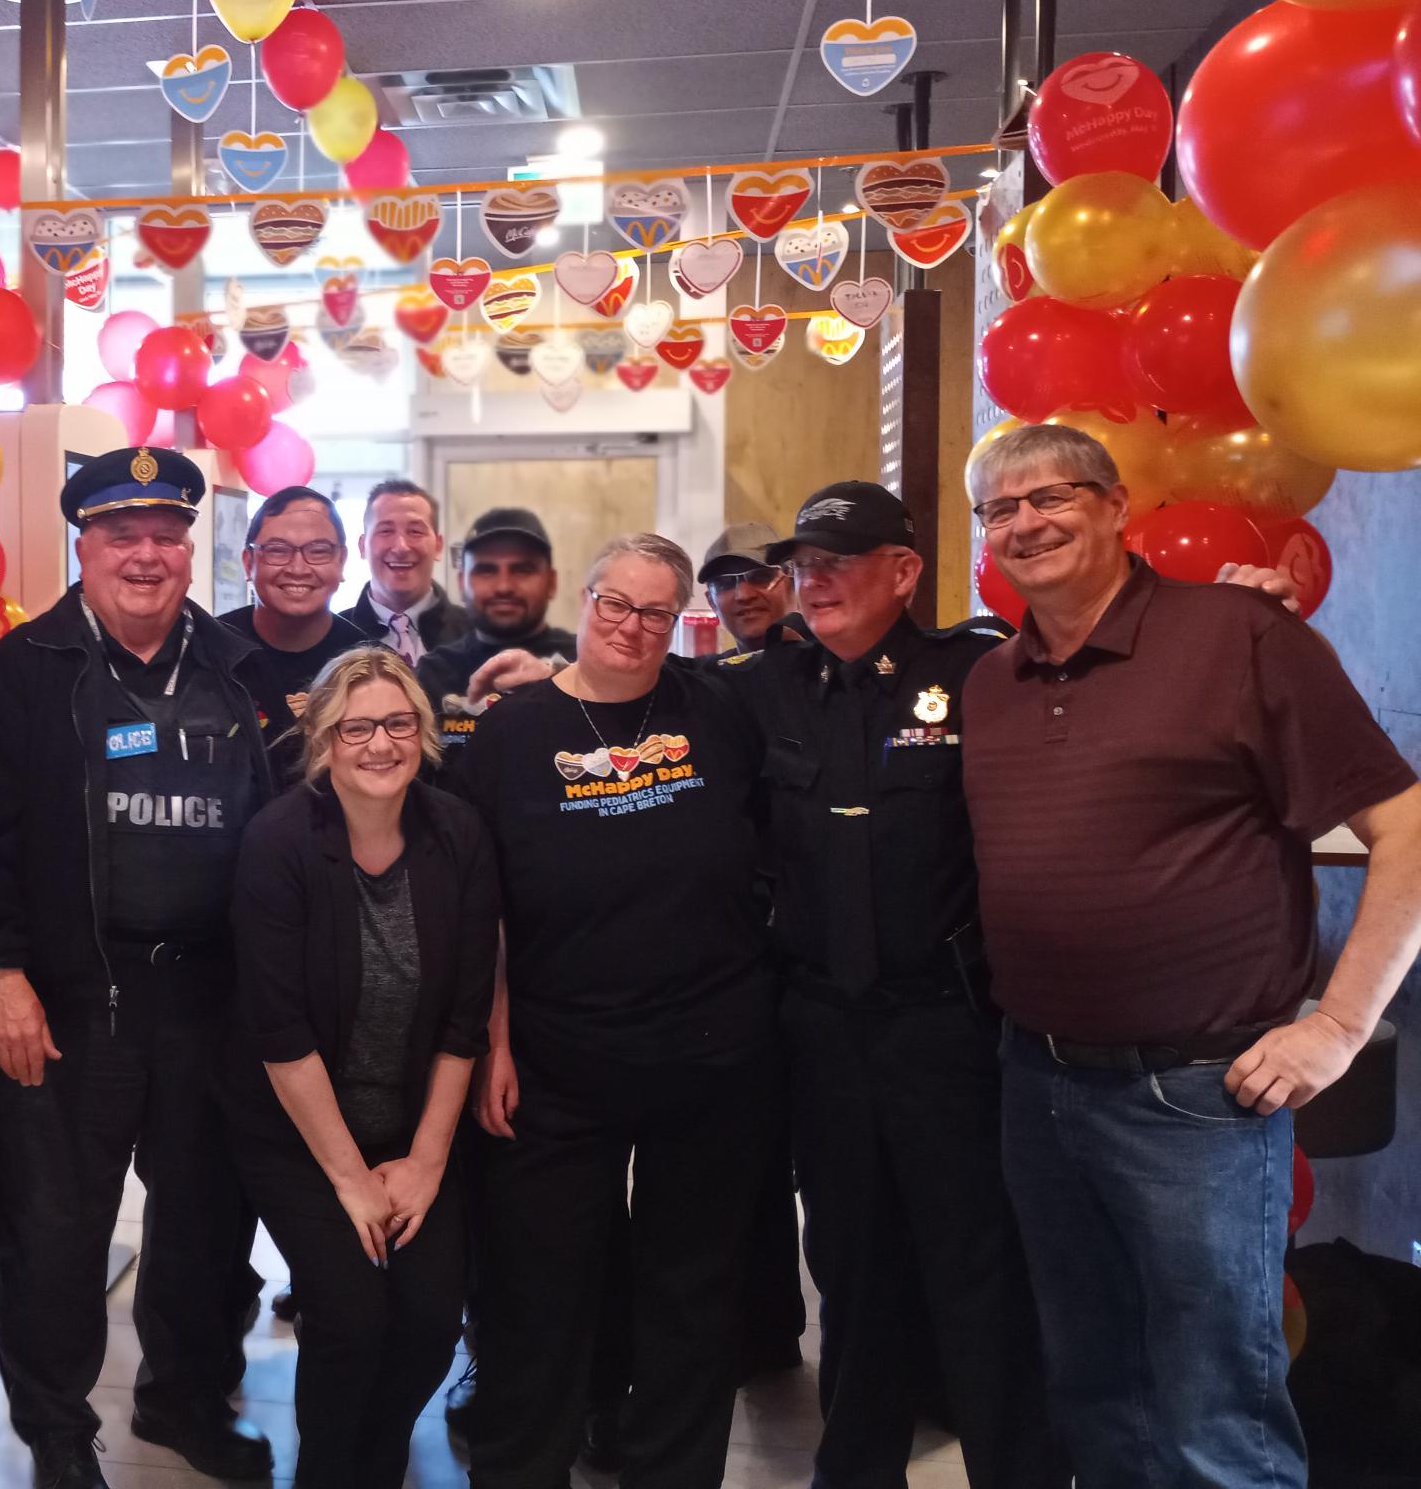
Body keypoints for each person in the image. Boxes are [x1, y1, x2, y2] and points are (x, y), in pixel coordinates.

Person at [962, 422, 1421, 1487]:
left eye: (1053, 496)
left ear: (1117, 506)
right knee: (1095, 1390)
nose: (1026, 522)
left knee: (1215, 1416)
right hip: (1039, 1083)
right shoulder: (991, 681)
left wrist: (1338, 1025)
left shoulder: (1239, 634)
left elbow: (1406, 826)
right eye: (1001, 508)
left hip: (1199, 1100)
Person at [0, 447, 277, 1489]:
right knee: (55, 1231)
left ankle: (182, 1402)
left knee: (203, 1224)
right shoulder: (22, 670)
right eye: (121, 534)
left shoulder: (235, 667)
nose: (146, 555)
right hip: (70, 1000)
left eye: (166, 535)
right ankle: (56, 1433)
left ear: (190, 549)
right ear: (83, 548)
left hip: (209, 998)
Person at [746, 482, 1063, 1489]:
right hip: (822, 1031)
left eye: (837, 561)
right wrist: (546, 677)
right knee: (851, 1272)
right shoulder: (765, 686)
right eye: (803, 565)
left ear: (904, 571)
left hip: (947, 1031)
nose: (814, 581)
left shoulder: (978, 671)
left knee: (980, 1274)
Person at [454, 532, 782, 1489]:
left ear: (680, 620)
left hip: (710, 1051)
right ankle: (524, 1469)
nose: (632, 627)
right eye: (616, 604)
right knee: (540, 1286)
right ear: (585, 602)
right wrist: (493, 1041)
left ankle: (670, 1470)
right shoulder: (509, 735)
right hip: (555, 1056)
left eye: (655, 612)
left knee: (693, 1290)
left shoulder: (718, 709)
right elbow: (480, 908)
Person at [224, 646, 497, 1487]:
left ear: (424, 732)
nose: (381, 744)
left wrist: (426, 1162)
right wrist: (350, 1181)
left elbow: (464, 1019)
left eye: (399, 723)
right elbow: (280, 1034)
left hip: (414, 1124)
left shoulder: (457, 833)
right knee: (349, 1316)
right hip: (301, 1132)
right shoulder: (279, 841)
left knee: (428, 1323)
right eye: (356, 728)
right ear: (323, 741)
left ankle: (374, 1465)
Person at [221, 485, 370, 789]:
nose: (298, 568)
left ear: (341, 561)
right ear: (249, 562)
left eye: (318, 551)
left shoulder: (369, 666)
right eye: (278, 550)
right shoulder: (209, 651)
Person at [415, 508, 575, 759]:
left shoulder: (585, 664)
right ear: (462, 583)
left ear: (552, 582)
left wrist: (558, 682)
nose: (504, 586)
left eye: (522, 570)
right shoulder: (432, 674)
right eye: (486, 570)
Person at [341, 480, 469, 664]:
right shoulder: (335, 638)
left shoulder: (479, 635)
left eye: (415, 531)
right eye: (386, 531)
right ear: (362, 546)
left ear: (438, 546)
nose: (401, 547)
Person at [696, 522, 791, 650]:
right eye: (725, 583)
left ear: (793, 584)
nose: (744, 595)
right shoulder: (710, 664)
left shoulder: (818, 659)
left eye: (760, 577)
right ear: (712, 603)